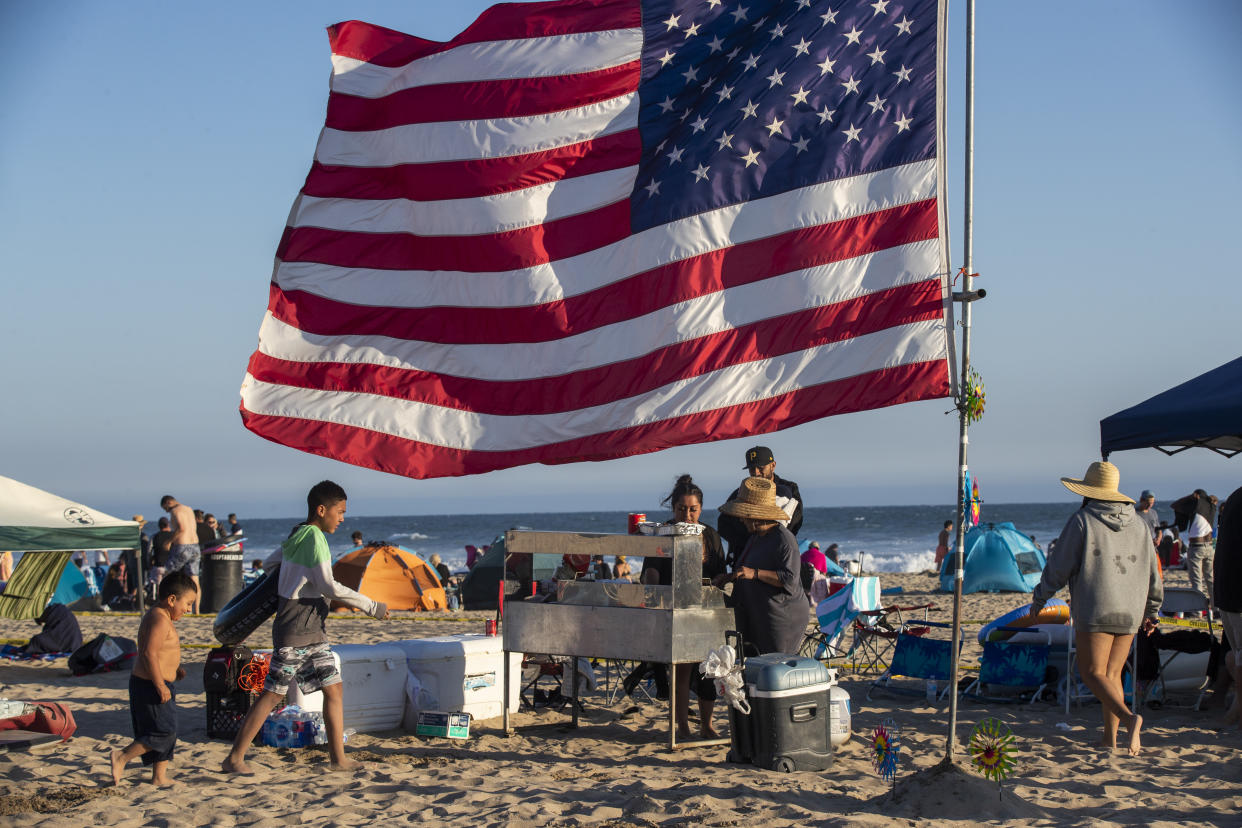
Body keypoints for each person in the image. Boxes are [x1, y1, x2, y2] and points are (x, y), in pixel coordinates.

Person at [223, 480, 389, 775]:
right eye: (339, 512)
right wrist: (372, 606)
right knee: (273, 694)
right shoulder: (314, 538)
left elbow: (271, 564)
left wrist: (295, 580)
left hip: (313, 630)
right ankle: (234, 758)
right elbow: (328, 584)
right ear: (322, 509)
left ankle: (338, 759)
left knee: (333, 689)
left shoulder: (298, 533)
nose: (342, 518)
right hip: (296, 630)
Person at [1029, 461, 1161, 756]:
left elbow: (1059, 566)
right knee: (1112, 675)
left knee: (1091, 673)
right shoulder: (1140, 524)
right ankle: (1109, 740)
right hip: (1131, 608)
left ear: (1088, 491)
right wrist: (1153, 610)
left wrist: (1041, 598)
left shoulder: (1083, 520)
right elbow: (1153, 571)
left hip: (1097, 606)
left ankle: (1129, 719)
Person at [631, 474, 727, 739]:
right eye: (681, 509)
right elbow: (651, 574)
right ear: (673, 509)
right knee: (681, 670)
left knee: (709, 669)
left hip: (707, 611)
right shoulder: (663, 534)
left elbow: (721, 571)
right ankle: (682, 726)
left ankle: (707, 725)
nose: (687, 514)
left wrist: (718, 581)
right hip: (676, 612)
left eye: (692, 509)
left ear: (701, 508)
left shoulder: (711, 536)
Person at [110, 571, 196, 787]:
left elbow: (163, 653)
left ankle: (159, 777)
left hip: (161, 682)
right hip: (150, 685)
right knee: (163, 732)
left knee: (168, 729)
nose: (188, 609)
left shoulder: (162, 616)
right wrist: (159, 684)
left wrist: (175, 670)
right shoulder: (158, 618)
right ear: (172, 599)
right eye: (188, 603)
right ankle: (121, 756)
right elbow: (148, 653)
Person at [716, 476, 807, 656]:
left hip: (780, 618)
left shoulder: (784, 540)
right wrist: (728, 577)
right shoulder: (755, 537)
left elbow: (789, 579)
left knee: (776, 666)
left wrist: (755, 573)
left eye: (744, 516)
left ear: (757, 516)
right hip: (758, 614)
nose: (741, 520)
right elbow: (746, 569)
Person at [717, 446, 803, 566]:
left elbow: (794, 521)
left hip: (776, 557)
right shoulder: (742, 491)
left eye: (761, 468)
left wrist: (768, 540)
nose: (756, 472)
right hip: (744, 558)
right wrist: (749, 541)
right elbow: (723, 524)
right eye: (752, 469)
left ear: (773, 465)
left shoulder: (789, 488)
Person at [1213, 486, 1242, 727]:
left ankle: (1234, 707)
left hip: (1227, 590)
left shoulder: (1234, 497)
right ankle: (1236, 709)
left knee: (1236, 655)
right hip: (1234, 592)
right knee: (1238, 657)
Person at [160, 495, 202, 614]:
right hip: (195, 545)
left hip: (183, 546)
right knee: (194, 579)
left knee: (167, 574)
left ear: (169, 502)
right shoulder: (188, 509)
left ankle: (163, 605)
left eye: (165, 508)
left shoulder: (175, 510)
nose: (167, 511)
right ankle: (196, 611)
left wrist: (169, 541)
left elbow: (181, 528)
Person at [1184, 490, 1217, 604]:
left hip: (1196, 547)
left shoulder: (1195, 507)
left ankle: (1197, 609)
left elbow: (1175, 505)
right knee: (1210, 579)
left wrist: (1191, 497)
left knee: (1196, 580)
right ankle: (1215, 606)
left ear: (1197, 496)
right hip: (1209, 546)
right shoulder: (1212, 507)